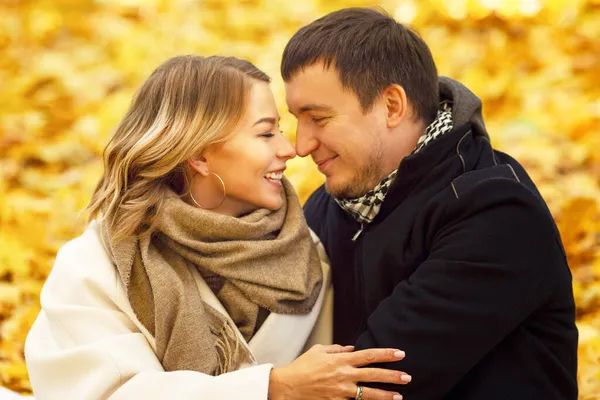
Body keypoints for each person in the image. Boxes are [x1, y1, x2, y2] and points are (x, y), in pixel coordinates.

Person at [24, 55, 412, 400]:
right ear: (199, 157)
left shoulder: (306, 255)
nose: (289, 148)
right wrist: (272, 388)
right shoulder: (97, 265)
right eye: (265, 133)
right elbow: (108, 393)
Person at [282, 7, 578, 400]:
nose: (301, 146)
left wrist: (271, 386)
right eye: (295, 120)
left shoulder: (496, 212)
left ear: (391, 106)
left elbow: (372, 382)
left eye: (318, 118)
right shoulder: (331, 205)